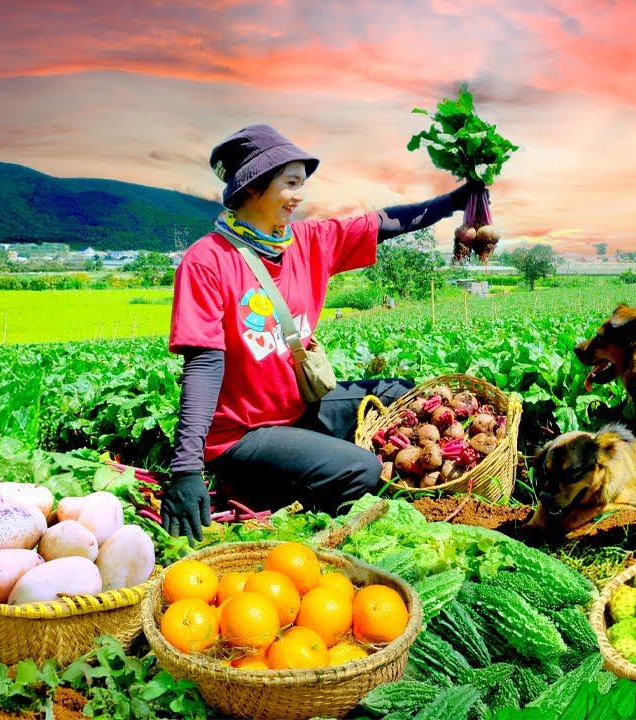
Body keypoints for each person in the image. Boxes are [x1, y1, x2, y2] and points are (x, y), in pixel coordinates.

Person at [161, 124, 481, 540]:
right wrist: (186, 470)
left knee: (402, 394)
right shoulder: (206, 262)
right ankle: (275, 500)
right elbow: (203, 367)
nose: (300, 195)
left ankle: (311, 464)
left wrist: (456, 201)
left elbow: (387, 222)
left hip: (297, 410)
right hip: (242, 437)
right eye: (291, 183)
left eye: (302, 184)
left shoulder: (307, 242)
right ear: (253, 186)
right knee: (362, 470)